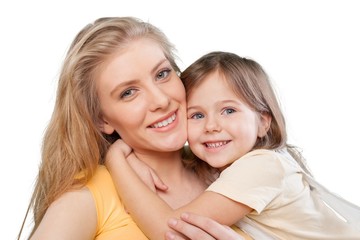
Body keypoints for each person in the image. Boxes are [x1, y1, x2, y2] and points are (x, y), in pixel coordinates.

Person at [18, 17, 250, 240]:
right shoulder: (88, 195)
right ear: (102, 120)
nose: (161, 100)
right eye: (128, 92)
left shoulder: (232, 169)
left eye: (162, 74)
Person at [105, 51, 360, 239]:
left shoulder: (261, 167)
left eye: (228, 110)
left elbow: (171, 231)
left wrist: (116, 159)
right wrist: (136, 158)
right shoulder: (233, 162)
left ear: (262, 122)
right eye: (197, 115)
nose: (211, 126)